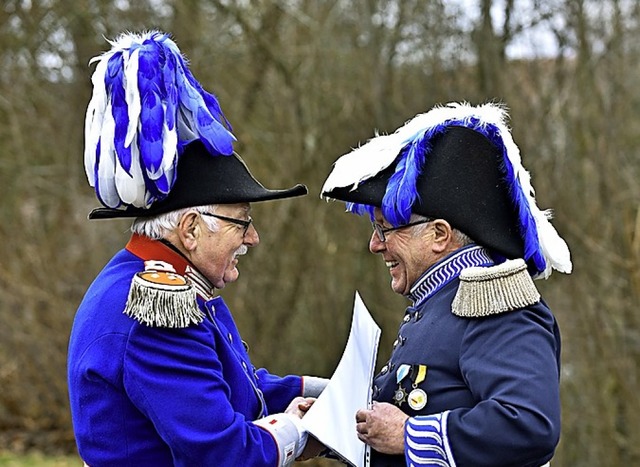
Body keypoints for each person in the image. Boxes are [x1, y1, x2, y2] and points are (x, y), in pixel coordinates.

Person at [68, 31, 326, 466]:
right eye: (241, 222)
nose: (253, 237)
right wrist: (304, 431)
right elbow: (224, 454)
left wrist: (327, 392)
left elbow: (227, 384)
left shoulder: (153, 281)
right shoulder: (158, 311)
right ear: (189, 230)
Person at [320, 102, 572, 467]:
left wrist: (410, 436)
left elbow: (530, 424)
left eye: (384, 229)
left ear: (439, 235)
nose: (375, 245)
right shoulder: (439, 304)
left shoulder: (494, 304)